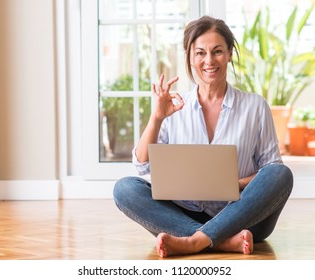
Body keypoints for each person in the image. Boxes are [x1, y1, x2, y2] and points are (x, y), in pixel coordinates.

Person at [113, 15, 293, 258]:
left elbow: (270, 171)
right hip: (184, 211)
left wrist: (232, 184)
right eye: (200, 53)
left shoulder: (255, 106)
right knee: (124, 189)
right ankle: (219, 241)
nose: (209, 60)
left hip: (242, 214)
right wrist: (156, 117)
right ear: (189, 56)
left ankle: (192, 241)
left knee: (281, 174)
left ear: (229, 53)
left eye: (217, 51)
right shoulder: (174, 105)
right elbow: (142, 164)